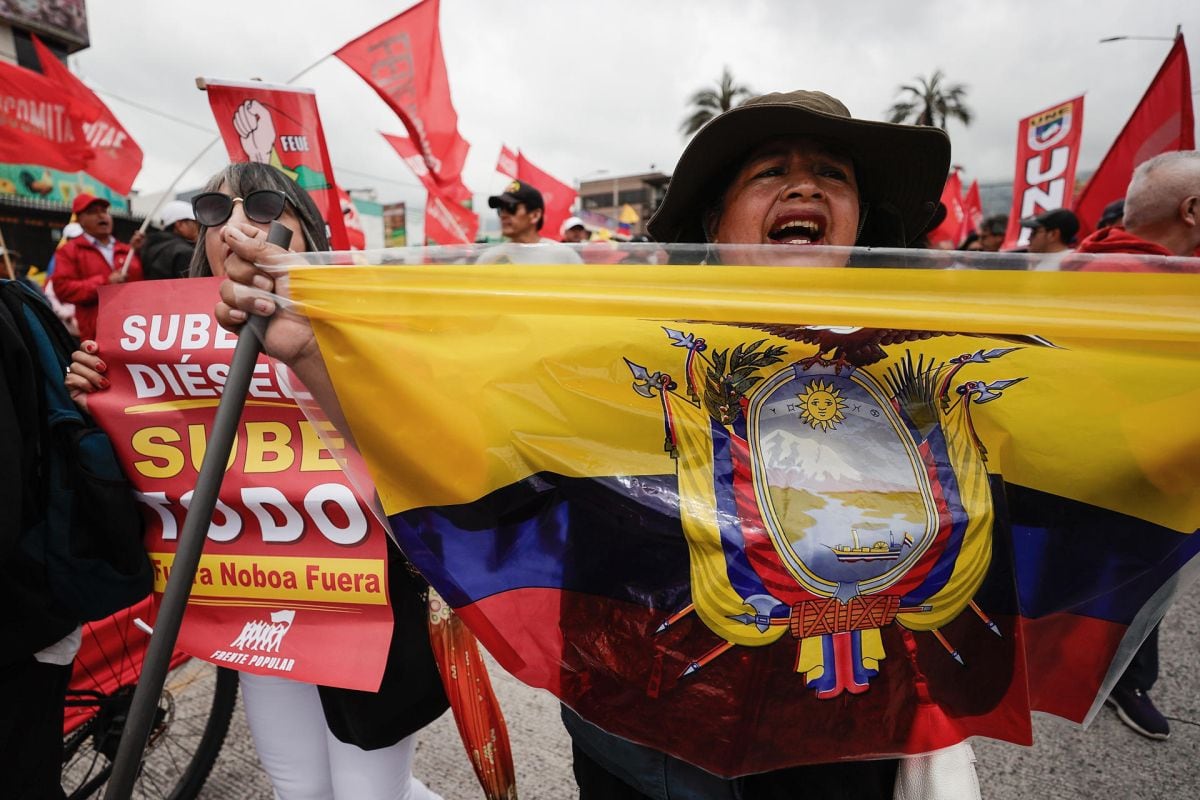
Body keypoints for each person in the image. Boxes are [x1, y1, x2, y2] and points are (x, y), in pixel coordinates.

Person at [215, 88, 958, 800]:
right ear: (713, 222)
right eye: (773, 172)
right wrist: (313, 352)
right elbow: (454, 449)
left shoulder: (934, 362)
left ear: (859, 216)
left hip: (841, 744)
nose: (805, 186)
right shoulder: (615, 350)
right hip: (646, 754)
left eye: (831, 173)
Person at [66, 162, 448, 800]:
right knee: (298, 788)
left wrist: (306, 353)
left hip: (362, 599)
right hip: (251, 599)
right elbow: (155, 485)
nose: (240, 224)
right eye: (217, 211)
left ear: (308, 233)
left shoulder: (369, 321)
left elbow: (413, 456)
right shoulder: (155, 343)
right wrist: (102, 406)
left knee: (370, 794)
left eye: (265, 206)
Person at [52, 194, 144, 341]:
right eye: (93, 212)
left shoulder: (127, 250)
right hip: (97, 335)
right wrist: (105, 283)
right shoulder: (69, 251)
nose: (101, 216)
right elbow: (62, 289)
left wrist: (139, 252)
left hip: (135, 332)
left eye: (104, 211)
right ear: (80, 220)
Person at [141, 199, 200, 280]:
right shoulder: (184, 252)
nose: (199, 228)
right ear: (180, 225)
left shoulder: (148, 246)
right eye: (195, 223)